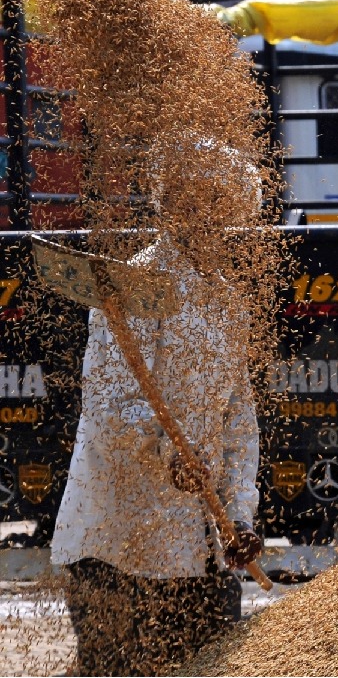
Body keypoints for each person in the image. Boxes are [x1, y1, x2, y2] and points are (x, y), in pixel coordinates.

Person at [50, 234, 264, 675]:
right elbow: (109, 406)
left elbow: (239, 422)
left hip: (203, 550)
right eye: (212, 202)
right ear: (173, 204)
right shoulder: (133, 285)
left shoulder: (227, 303)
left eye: (233, 207)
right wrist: (167, 456)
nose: (221, 218)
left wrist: (239, 515)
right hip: (119, 547)